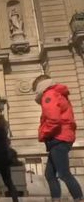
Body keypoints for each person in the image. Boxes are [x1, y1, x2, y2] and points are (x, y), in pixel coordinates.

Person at [33, 74, 84, 202]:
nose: (35, 93)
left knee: (64, 173)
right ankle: (57, 199)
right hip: (63, 137)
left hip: (58, 138)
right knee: (49, 174)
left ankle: (79, 198)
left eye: (35, 89)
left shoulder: (49, 95)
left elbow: (53, 119)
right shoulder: (58, 94)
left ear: (40, 86)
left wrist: (43, 133)